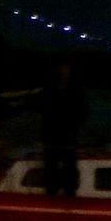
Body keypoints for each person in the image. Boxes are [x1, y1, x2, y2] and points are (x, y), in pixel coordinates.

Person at [40, 61, 87, 198]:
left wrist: (74, 125)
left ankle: (69, 192)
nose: (63, 72)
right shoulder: (49, 90)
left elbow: (82, 111)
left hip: (68, 134)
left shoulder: (76, 91)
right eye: (61, 69)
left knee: (69, 166)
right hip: (52, 133)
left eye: (65, 69)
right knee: (51, 165)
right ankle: (51, 192)